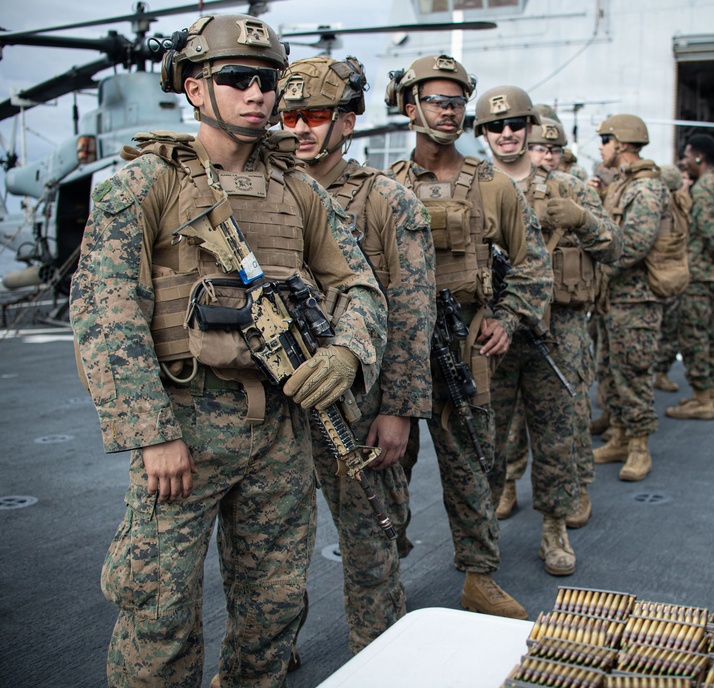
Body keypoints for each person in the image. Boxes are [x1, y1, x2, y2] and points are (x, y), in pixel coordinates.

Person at [69, 14, 387, 687]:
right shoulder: (144, 184)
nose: (257, 94)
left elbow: (357, 283)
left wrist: (349, 352)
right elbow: (105, 314)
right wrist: (151, 433)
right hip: (183, 424)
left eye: (267, 80)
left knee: (273, 607)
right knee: (158, 612)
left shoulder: (299, 191)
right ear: (192, 89)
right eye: (235, 78)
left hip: (281, 426)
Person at [276, 56, 435, 656]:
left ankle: (378, 651)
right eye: (288, 115)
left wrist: (398, 408)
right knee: (272, 541)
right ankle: (272, 645)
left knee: (370, 539)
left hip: (360, 403)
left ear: (348, 121)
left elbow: (414, 310)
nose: (299, 129)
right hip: (278, 403)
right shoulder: (266, 194)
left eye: (315, 115)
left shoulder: (388, 200)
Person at [386, 55, 552, 617]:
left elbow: (534, 265)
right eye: (437, 99)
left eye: (457, 101)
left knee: (474, 469)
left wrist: (506, 317)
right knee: (387, 470)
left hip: (465, 351)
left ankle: (479, 578)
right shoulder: (384, 188)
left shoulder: (495, 187)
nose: (450, 110)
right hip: (400, 356)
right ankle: (383, 578)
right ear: (411, 109)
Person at [475, 88, 621, 572]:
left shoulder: (567, 187)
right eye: (496, 126)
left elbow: (614, 249)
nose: (508, 132)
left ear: (530, 127)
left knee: (558, 432)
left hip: (559, 330)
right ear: (483, 133)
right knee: (487, 433)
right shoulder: (471, 187)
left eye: (517, 123)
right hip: (492, 333)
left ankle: (554, 528)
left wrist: (581, 219)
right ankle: (482, 529)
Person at [588, 114, 671, 482]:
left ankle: (639, 445)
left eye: (605, 140)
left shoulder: (647, 188)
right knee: (611, 369)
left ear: (620, 143)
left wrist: (596, 266)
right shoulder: (624, 184)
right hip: (615, 298)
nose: (601, 147)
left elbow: (635, 243)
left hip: (636, 300)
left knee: (634, 373)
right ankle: (620, 434)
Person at [665, 134, 714, 421]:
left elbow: (707, 230)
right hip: (709, 274)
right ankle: (712, 393)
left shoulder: (704, 188)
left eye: (686, 156)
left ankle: (701, 398)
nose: (684, 162)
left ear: (699, 158)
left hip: (699, 272)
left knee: (694, 335)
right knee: (708, 333)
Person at [652, 163, 693, 394]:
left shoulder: (676, 206)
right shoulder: (676, 205)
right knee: (667, 329)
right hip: (670, 275)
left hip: (665, 276)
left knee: (666, 329)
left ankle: (660, 372)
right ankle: (660, 372)